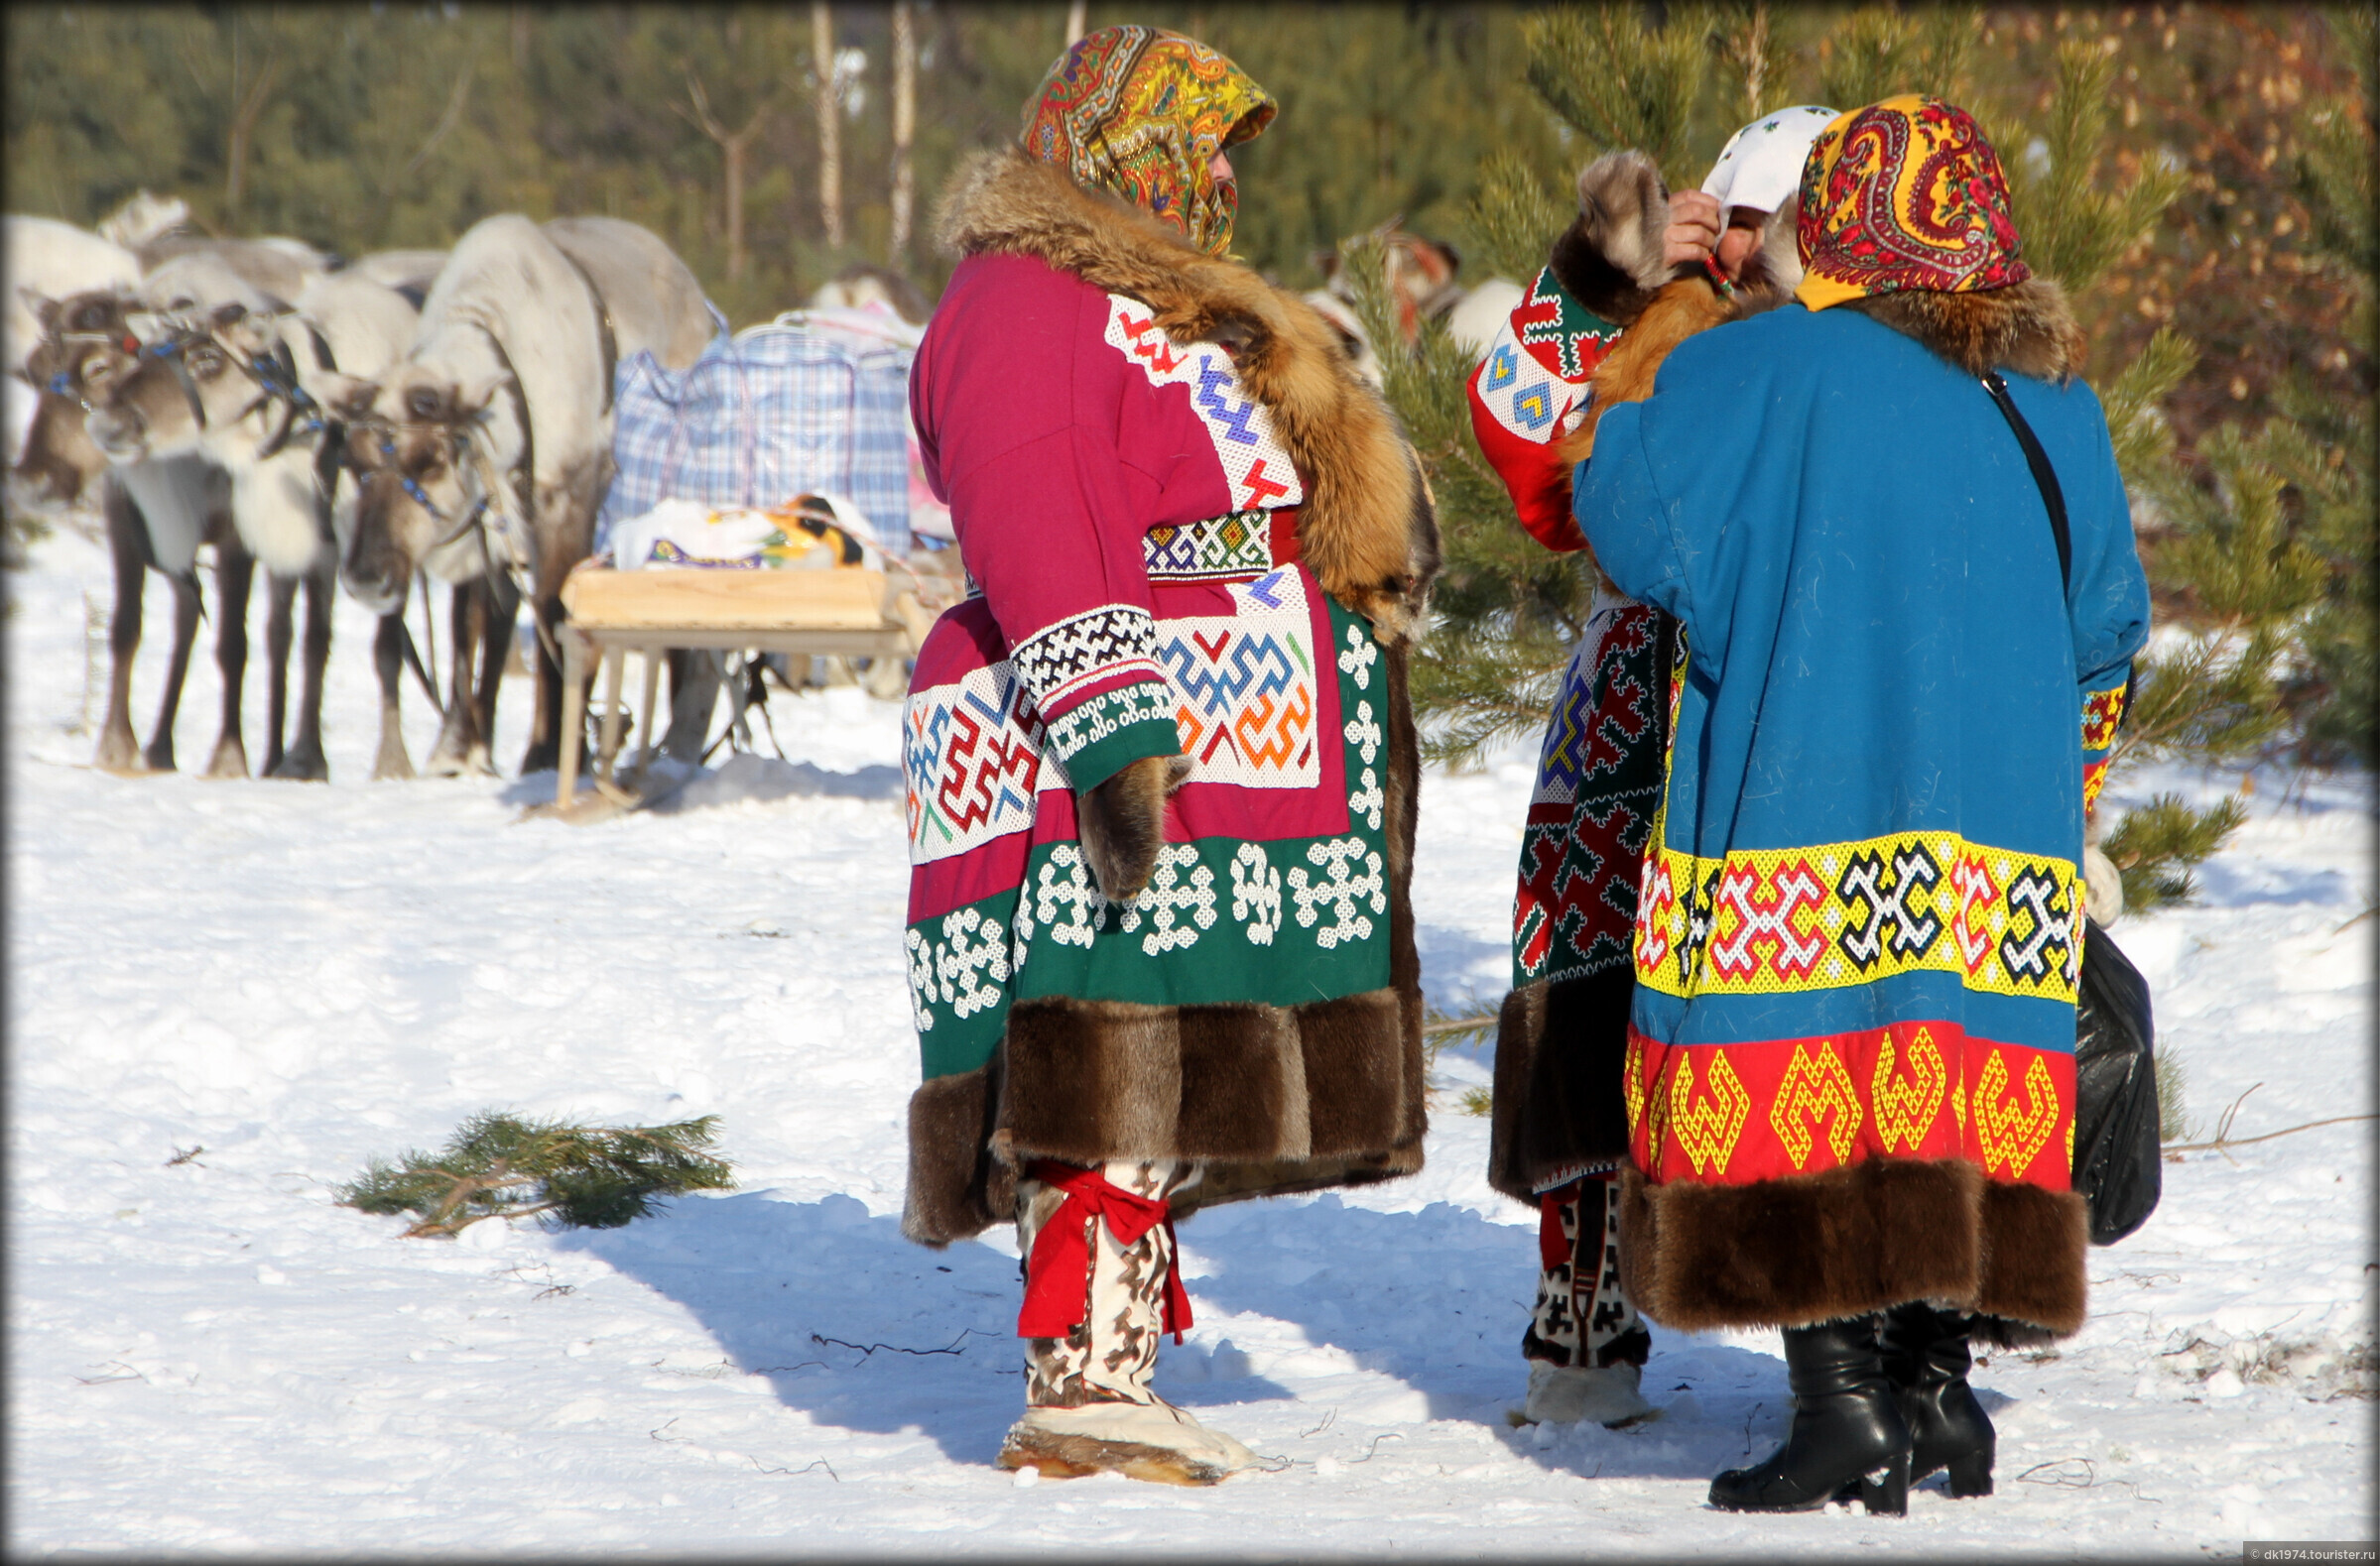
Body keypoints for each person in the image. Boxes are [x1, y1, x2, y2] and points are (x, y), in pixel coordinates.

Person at [1574, 96, 2150, 1513]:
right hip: (1997, 846)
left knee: (1810, 1084)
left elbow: (1620, 509)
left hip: (1805, 818)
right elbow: (2108, 628)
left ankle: (1840, 1410)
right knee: (1951, 1085)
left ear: (1838, 223)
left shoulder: (1779, 369)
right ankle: (1939, 1397)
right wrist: (2052, 807)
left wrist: (1646, 308)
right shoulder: (2052, 393)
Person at [898, 25, 1440, 1486]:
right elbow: (1038, 513)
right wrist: (1113, 738)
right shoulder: (1026, 304)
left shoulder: (1139, 295)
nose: (1218, 179)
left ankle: (1111, 1355)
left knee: (1157, 1051)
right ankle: (1083, 1373)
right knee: (1107, 1042)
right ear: (1119, 148)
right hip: (1123, 748)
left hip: (1231, 747)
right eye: (1197, 147)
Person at [1465, 106, 1839, 1430]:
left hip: (1793, 706)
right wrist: (1598, 275)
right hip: (1632, 710)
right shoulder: (1653, 327)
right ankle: (1583, 1328)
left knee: (1812, 1015)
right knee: (1590, 1005)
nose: (1757, 248)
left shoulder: (1868, 358)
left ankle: (1833, 1348)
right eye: (1742, 219)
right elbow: (1518, 448)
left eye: (1785, 222)